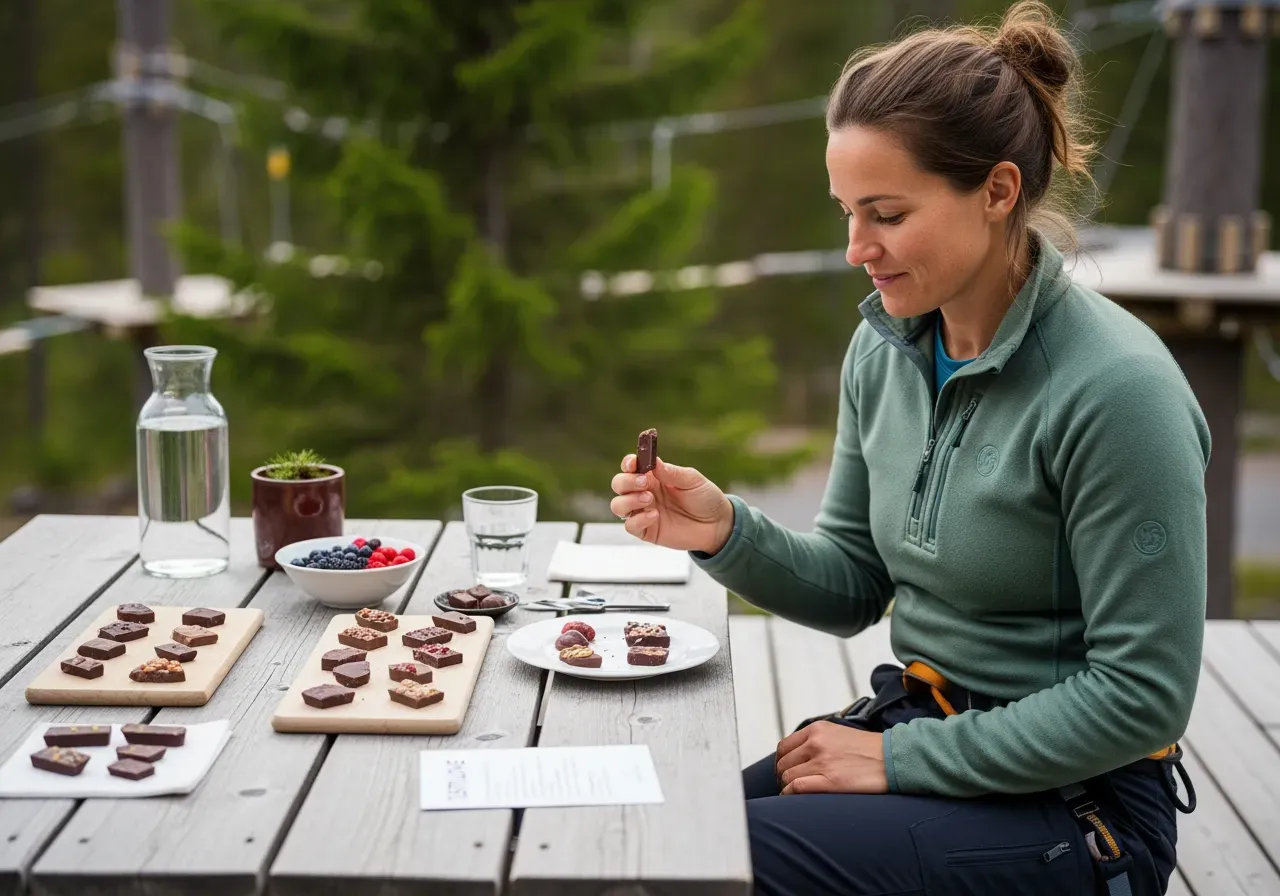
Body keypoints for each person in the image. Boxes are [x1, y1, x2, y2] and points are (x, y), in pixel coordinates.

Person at [609, 2, 1207, 894]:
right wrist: (722, 532)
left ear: (998, 192)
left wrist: (902, 761)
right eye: (847, 211)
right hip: (922, 728)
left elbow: (1142, 696)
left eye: (885, 213)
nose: (856, 248)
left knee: (719, 868)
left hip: (1082, 809)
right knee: (657, 842)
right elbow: (856, 580)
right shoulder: (886, 349)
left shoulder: (1120, 393)